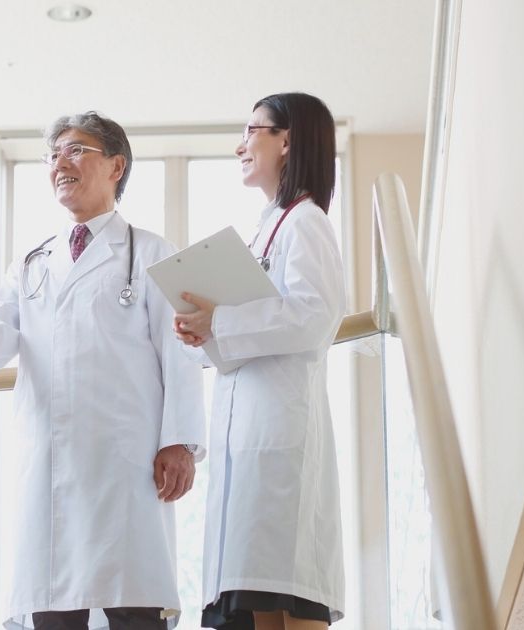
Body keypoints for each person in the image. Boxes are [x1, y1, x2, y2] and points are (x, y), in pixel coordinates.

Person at [0, 112, 206, 630]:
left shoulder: (150, 252)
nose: (59, 164)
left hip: (125, 463)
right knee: (53, 608)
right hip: (51, 462)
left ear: (116, 166)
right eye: (53, 155)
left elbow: (180, 353)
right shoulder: (33, 262)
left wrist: (180, 442)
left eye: (75, 150)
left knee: (133, 606)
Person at [172, 92, 346, 630]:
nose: (240, 145)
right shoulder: (268, 226)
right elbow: (257, 329)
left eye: (252, 131)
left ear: (286, 141)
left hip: (279, 442)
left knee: (284, 598)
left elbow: (315, 314)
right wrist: (206, 333)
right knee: (255, 602)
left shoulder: (306, 221)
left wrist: (221, 322)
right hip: (249, 441)